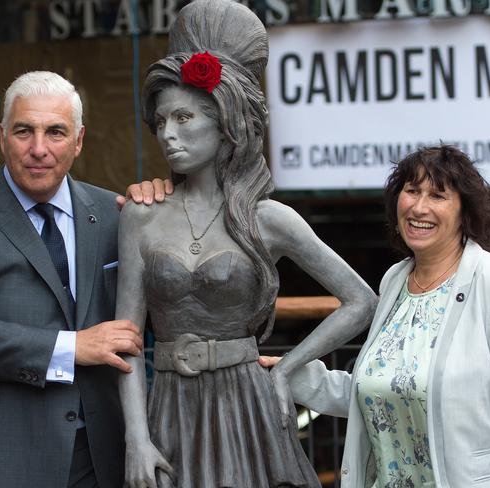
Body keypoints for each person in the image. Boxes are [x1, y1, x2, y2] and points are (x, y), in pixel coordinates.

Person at [114, 1, 377, 487]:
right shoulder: (140, 216)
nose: (168, 135)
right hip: (169, 409)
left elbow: (361, 301)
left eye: (185, 117)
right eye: (161, 121)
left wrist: (288, 369)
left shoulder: (269, 219)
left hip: (249, 409)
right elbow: (127, 340)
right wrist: (136, 437)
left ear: (225, 122)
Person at [262, 145, 490, 487]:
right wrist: (287, 372)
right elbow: (383, 391)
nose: (419, 207)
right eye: (412, 191)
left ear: (464, 212)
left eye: (438, 195)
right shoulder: (395, 280)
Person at [0, 71, 147, 488]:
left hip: (103, 455)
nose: (39, 149)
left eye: (55, 132)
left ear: (78, 141)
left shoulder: (118, 214)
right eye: (24, 131)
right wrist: (72, 347)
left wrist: (167, 210)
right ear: (2, 136)